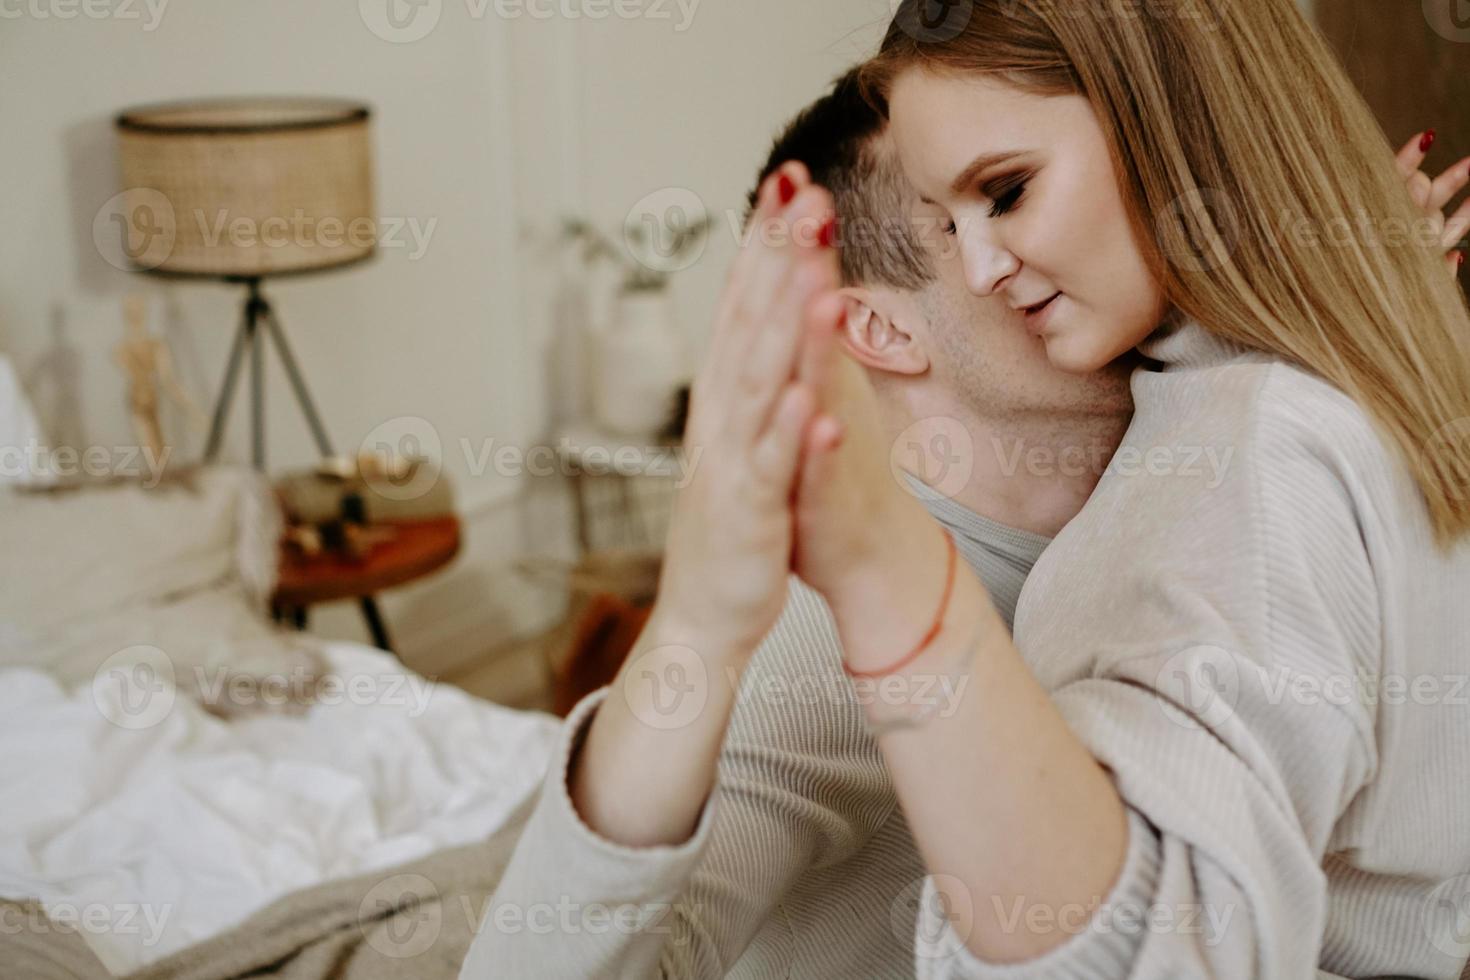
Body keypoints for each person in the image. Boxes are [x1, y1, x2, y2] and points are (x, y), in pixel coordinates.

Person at [462, 42, 1467, 977]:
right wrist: (692, 631)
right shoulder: (823, 642)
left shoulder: (1202, 450)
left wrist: (1343, 286)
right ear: (875, 325)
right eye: (987, 204)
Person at [750, 1, 1467, 977]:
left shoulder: (1239, 460)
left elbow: (1141, 950)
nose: (983, 265)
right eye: (950, 222)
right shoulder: (1339, 393)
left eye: (1005, 193)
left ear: (1159, 124)